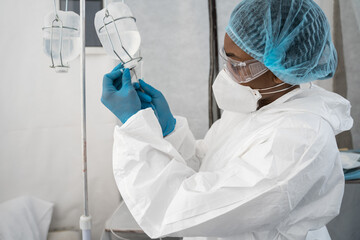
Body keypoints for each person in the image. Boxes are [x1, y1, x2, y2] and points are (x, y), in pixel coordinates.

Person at [101, 0, 353, 239]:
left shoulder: (299, 140)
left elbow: (180, 206)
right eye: (227, 57)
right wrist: (169, 130)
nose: (227, 72)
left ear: (278, 74)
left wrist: (135, 126)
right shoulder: (259, 103)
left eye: (236, 64)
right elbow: (209, 167)